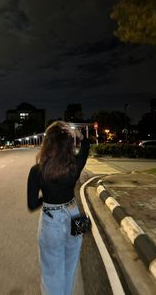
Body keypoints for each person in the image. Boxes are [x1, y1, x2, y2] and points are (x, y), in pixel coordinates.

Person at [27, 121, 90, 295]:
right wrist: (78, 134)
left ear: (47, 144)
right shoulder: (74, 166)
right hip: (73, 214)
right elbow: (85, 147)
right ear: (68, 144)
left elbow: (32, 204)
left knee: (51, 273)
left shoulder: (36, 171)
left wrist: (46, 197)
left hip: (51, 219)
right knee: (70, 266)